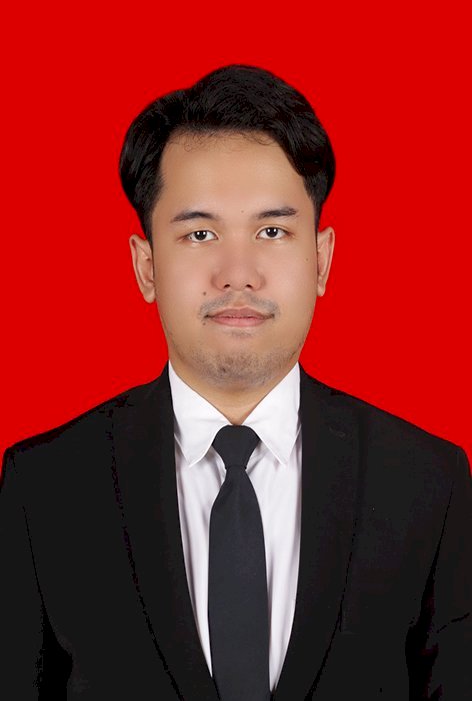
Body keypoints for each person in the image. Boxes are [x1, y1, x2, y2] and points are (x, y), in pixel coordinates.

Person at [1, 65, 470, 701]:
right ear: (146, 267)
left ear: (321, 259)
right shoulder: (44, 488)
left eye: (272, 231)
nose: (238, 273)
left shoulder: (428, 483)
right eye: (200, 234)